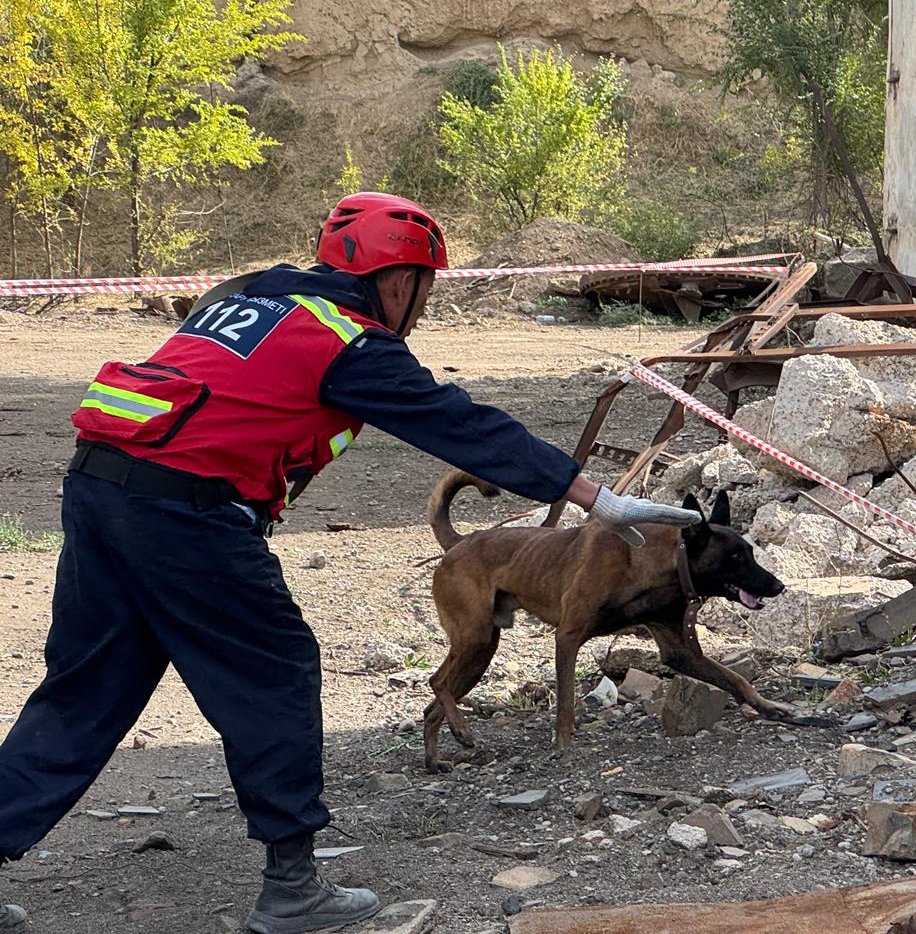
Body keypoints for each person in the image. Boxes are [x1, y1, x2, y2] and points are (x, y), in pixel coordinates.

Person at [0, 192, 700, 933]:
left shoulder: (254, 303)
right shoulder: (350, 340)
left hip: (98, 489)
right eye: (425, 289)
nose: (422, 308)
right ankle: (293, 890)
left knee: (83, 692)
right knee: (276, 670)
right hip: (187, 515)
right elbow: (461, 424)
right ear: (398, 282)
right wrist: (594, 497)